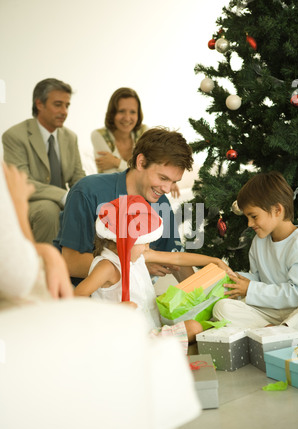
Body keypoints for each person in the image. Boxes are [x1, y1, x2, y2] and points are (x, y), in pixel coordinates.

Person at [74, 195, 230, 352]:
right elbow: (74, 298)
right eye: (145, 242)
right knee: (194, 328)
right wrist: (114, 312)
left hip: (151, 329)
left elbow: (176, 257)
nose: (148, 247)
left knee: (197, 319)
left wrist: (214, 260)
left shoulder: (138, 255)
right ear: (126, 241)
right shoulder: (107, 267)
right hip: (129, 339)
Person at [55, 127, 194, 286]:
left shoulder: (160, 202)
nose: (167, 189)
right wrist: (136, 265)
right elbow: (71, 263)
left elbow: (175, 256)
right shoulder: (88, 191)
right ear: (141, 162)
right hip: (86, 295)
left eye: (174, 182)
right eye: (163, 178)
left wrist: (205, 297)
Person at [2, 78, 86, 244]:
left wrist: (89, 197)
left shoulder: (70, 137)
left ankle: (79, 266)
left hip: (62, 202)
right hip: (30, 202)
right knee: (48, 210)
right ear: (39, 104)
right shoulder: (14, 136)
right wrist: (63, 196)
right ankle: (43, 267)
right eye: (58, 104)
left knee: (90, 207)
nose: (64, 111)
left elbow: (78, 177)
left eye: (67, 105)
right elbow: (22, 182)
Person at [213, 171, 298, 330]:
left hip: (295, 311)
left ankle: (282, 331)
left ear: (277, 210)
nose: (249, 223)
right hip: (269, 309)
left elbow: (295, 294)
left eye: (254, 216)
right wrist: (236, 278)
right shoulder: (259, 242)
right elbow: (258, 278)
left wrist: (250, 289)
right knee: (222, 308)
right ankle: (274, 330)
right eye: (247, 218)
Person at [0, 162, 73, 310]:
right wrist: (19, 206)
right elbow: (19, 277)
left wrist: (45, 252)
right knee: (48, 210)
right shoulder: (13, 139)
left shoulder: (69, 138)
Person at [91, 87, 147, 174]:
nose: (127, 118)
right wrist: (138, 169)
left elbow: (150, 171)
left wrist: (117, 163)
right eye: (121, 111)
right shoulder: (99, 135)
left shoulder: (144, 132)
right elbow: (111, 176)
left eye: (132, 112)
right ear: (112, 113)